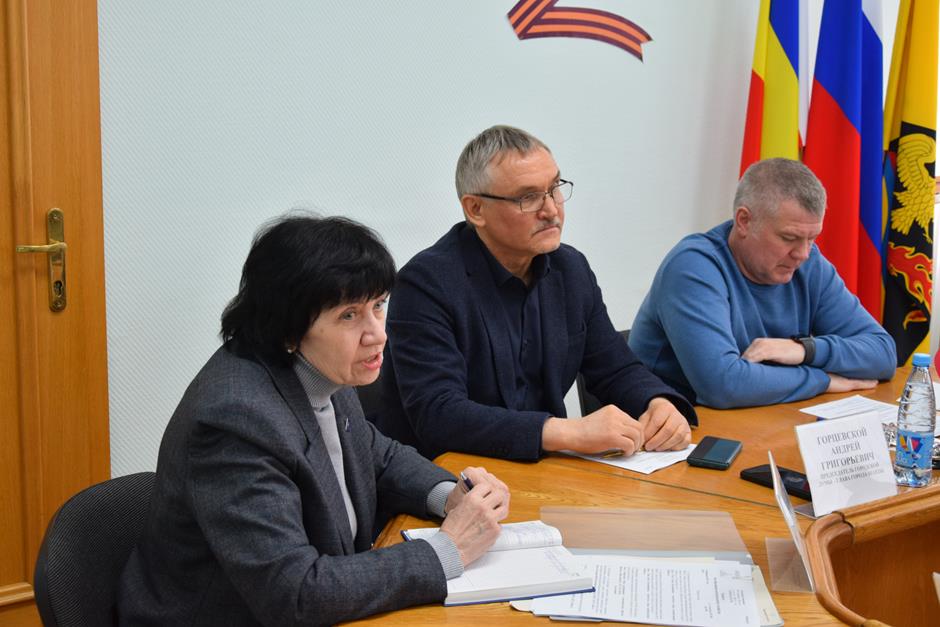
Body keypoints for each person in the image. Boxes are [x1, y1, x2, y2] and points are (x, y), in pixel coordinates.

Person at [117, 215, 511, 626]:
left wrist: (449, 496)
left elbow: (377, 454)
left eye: (378, 306)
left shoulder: (321, 372)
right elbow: (296, 594)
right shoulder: (235, 422)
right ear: (289, 328)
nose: (377, 334)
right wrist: (447, 550)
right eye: (349, 316)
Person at [374, 125, 697, 462]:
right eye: (528, 197)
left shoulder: (570, 269)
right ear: (476, 209)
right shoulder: (426, 284)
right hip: (448, 477)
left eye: (554, 188)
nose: (551, 210)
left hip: (542, 472)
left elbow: (615, 368)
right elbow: (440, 414)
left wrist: (657, 402)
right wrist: (567, 432)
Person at [629, 158, 897, 409]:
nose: (803, 253)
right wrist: (823, 380)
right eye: (789, 238)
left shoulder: (809, 264)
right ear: (744, 221)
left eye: (812, 238)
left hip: (761, 419)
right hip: (672, 428)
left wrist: (805, 350)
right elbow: (723, 385)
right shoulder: (693, 266)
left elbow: (883, 353)